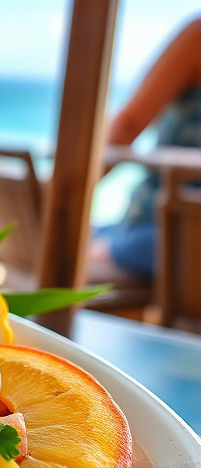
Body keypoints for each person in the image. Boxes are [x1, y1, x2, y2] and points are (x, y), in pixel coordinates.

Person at [90, 17, 201, 277]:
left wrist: (65, 196)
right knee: (96, 233)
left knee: (79, 243)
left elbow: (128, 125)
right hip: (165, 233)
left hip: (174, 233)